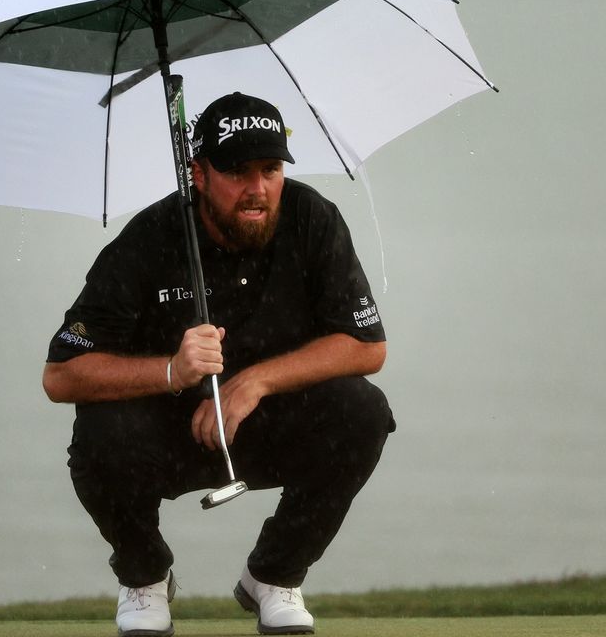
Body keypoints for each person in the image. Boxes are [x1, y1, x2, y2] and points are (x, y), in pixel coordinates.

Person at [42, 92, 395, 637]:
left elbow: (366, 345)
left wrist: (253, 382)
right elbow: (61, 374)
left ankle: (274, 576)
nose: (257, 189)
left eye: (270, 170)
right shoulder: (150, 238)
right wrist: (170, 372)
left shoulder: (311, 219)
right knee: (97, 431)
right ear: (198, 174)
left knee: (363, 412)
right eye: (236, 172)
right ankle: (145, 575)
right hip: (165, 431)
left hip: (266, 424)